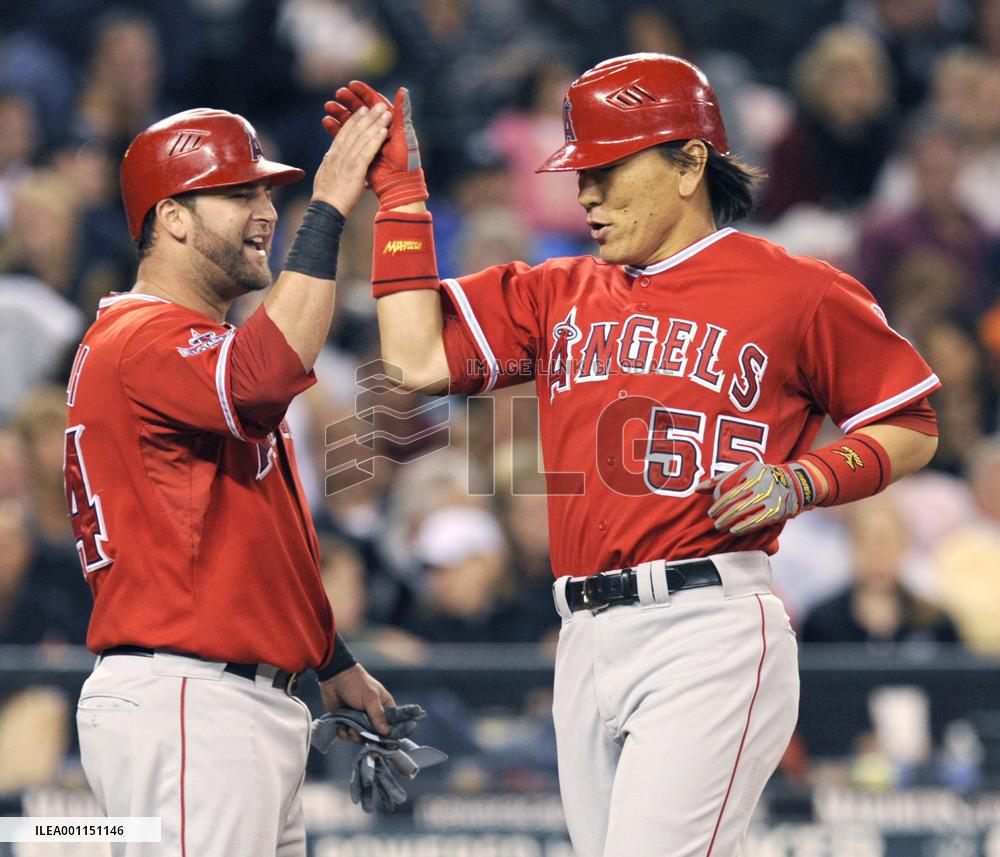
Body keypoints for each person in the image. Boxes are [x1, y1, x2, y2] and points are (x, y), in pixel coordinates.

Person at [327, 52, 941, 857]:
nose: (585, 192)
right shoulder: (557, 288)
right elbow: (411, 361)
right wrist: (402, 196)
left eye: (609, 169)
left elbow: (912, 420)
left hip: (706, 623)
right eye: (581, 170)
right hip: (582, 633)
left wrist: (806, 478)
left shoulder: (798, 289)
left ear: (689, 163)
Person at [65, 102, 408, 856]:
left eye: (270, 194)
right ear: (174, 218)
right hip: (191, 701)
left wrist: (330, 659)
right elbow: (265, 376)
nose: (266, 211)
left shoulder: (187, 345)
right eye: (240, 193)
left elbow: (260, 529)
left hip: (220, 703)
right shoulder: (140, 337)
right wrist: (330, 205)